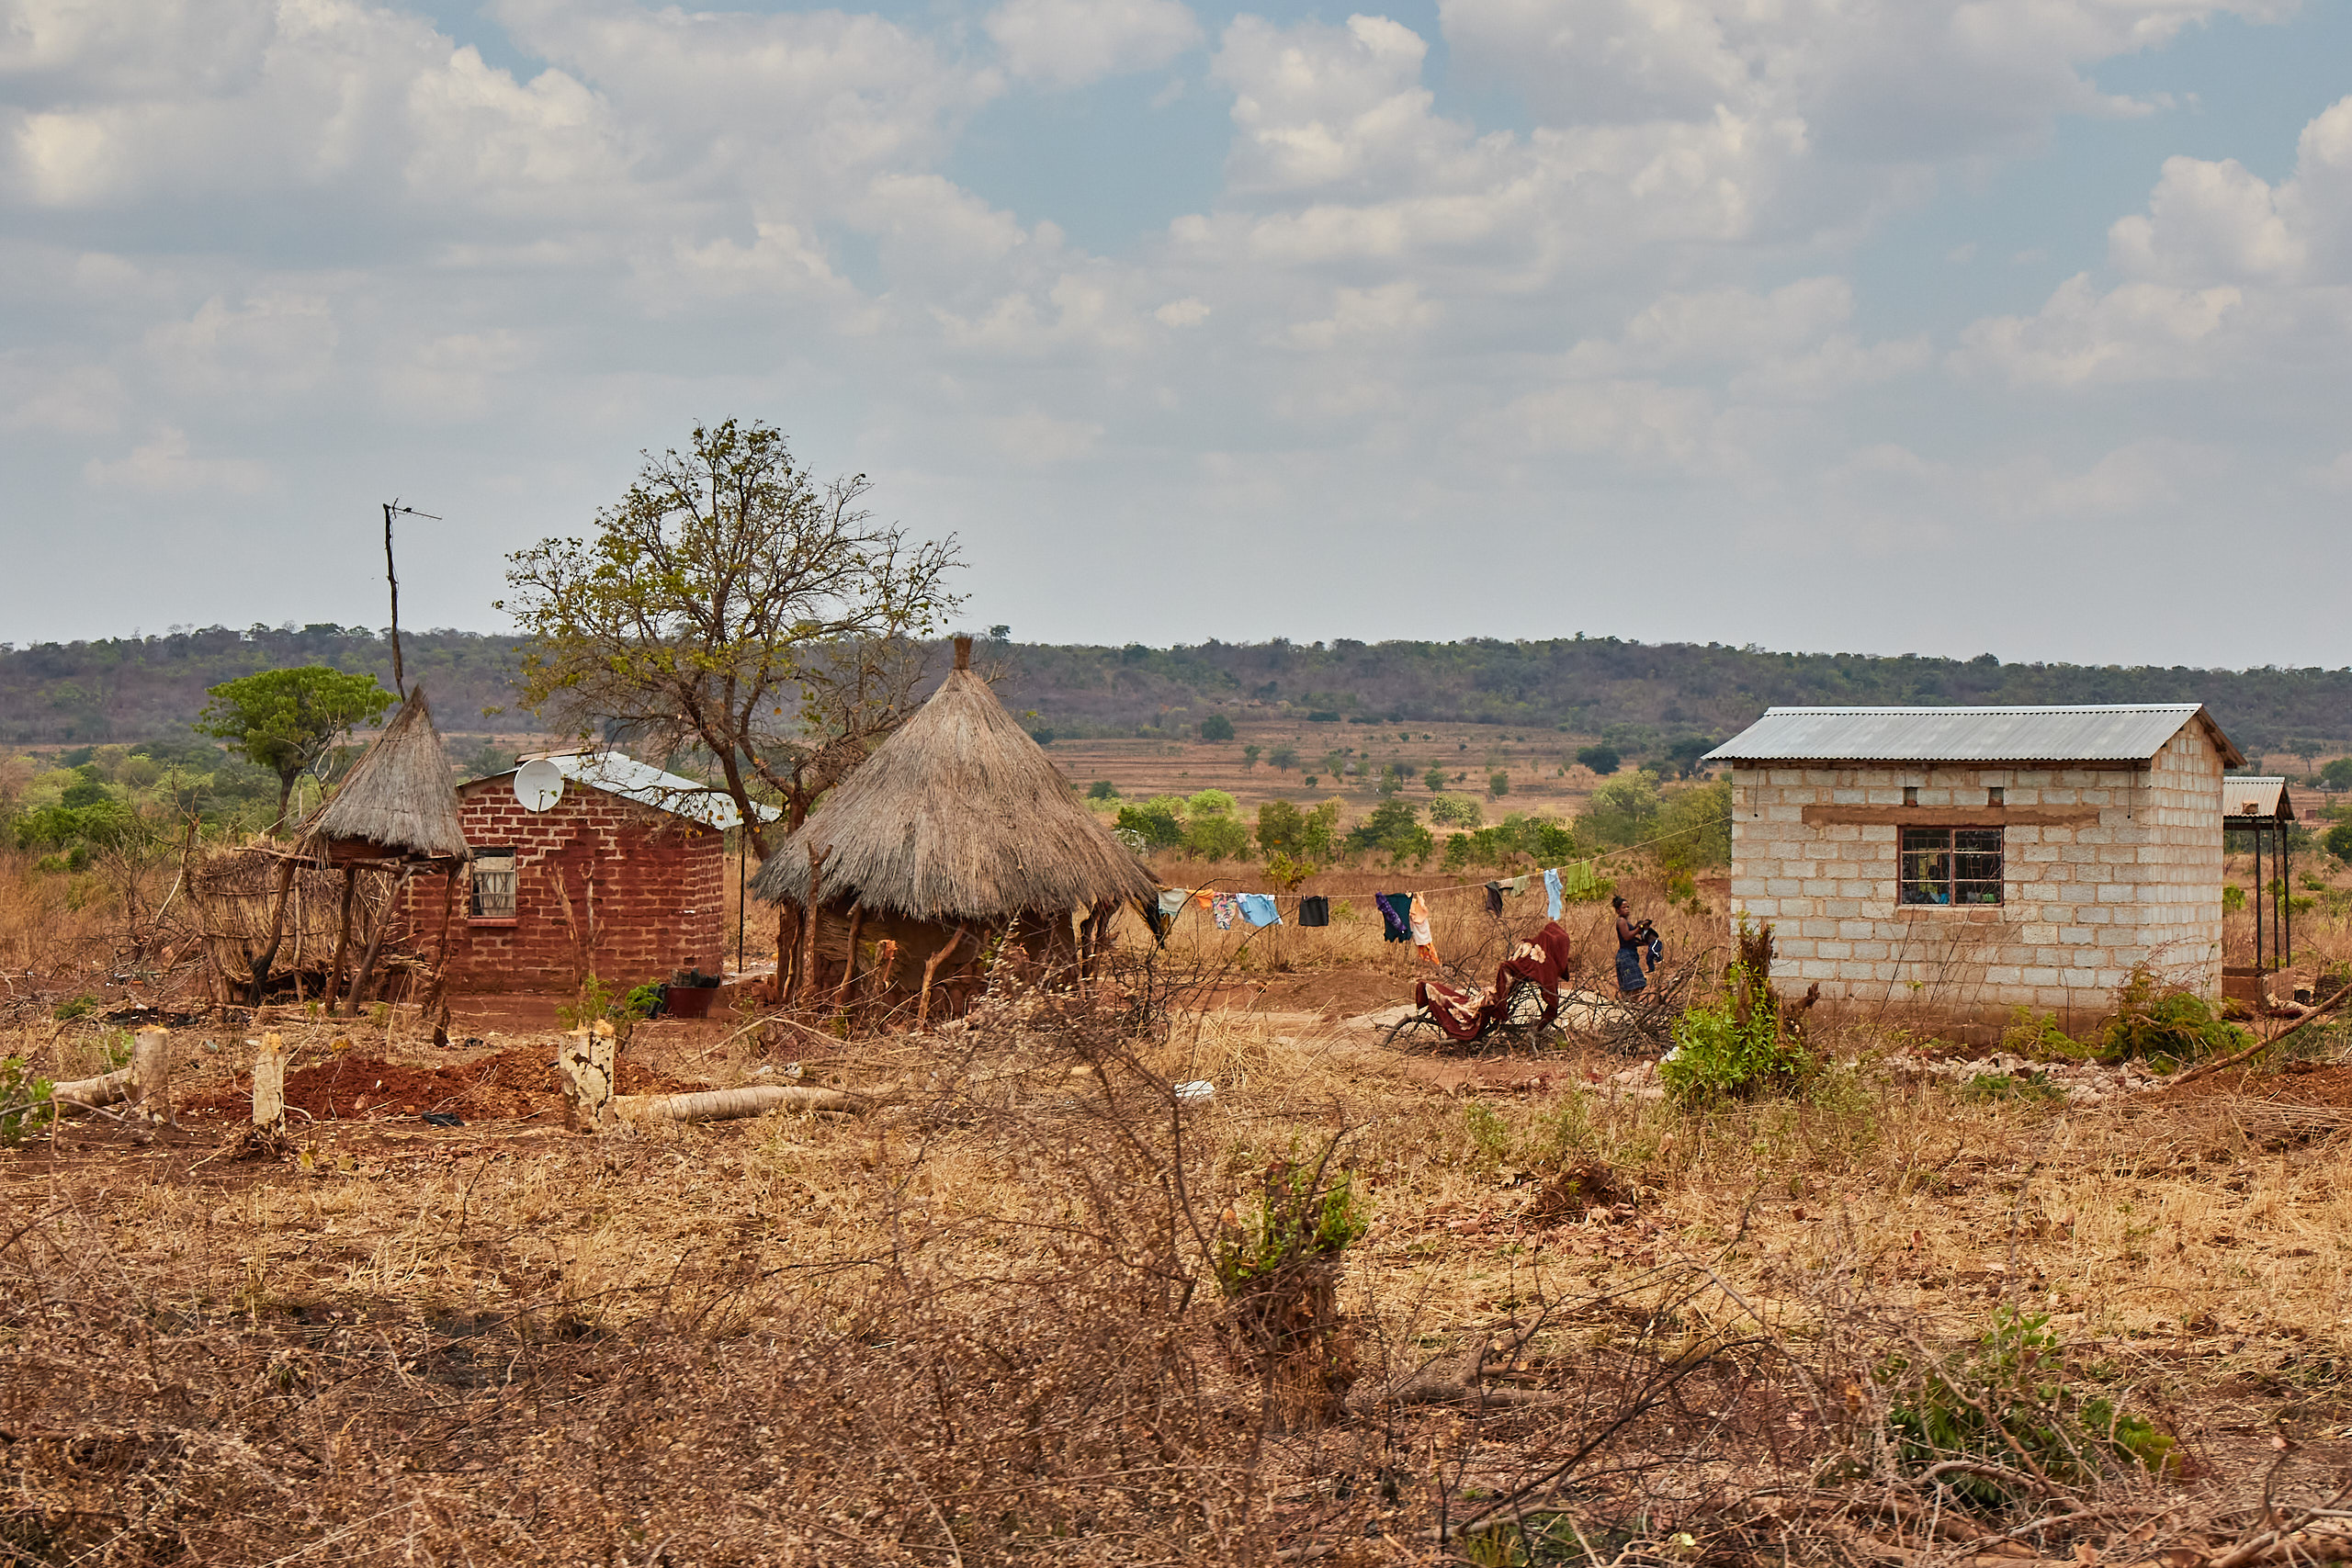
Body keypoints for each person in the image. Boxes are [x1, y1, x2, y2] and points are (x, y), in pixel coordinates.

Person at [1612, 895, 1647, 998]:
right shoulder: (1621, 921)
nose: (1627, 909)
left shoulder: (1626, 922)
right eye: (1624, 908)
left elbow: (1630, 940)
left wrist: (1643, 942)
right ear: (1618, 910)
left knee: (1630, 986)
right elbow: (1627, 936)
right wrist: (1638, 928)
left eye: (1628, 907)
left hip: (1630, 954)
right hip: (1625, 956)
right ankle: (1630, 1004)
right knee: (1638, 983)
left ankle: (1625, 1006)